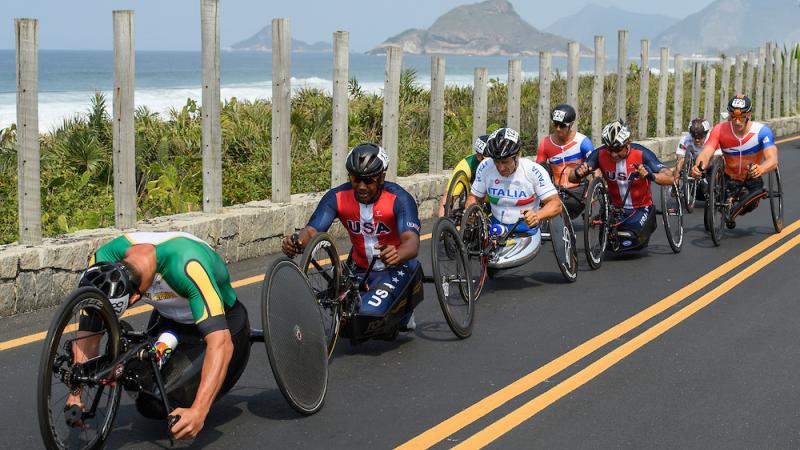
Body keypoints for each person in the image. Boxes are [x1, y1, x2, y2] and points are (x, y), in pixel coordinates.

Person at [73, 231, 251, 441]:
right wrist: (76, 392)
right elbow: (89, 329)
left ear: (135, 298)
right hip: (168, 321)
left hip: (225, 325)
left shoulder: (187, 266)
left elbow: (221, 343)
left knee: (157, 402)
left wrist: (199, 411)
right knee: (137, 383)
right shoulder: (103, 259)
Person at [282, 143, 423, 337]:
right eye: (356, 179)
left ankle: (405, 312)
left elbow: (412, 242)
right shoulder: (337, 197)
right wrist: (296, 240)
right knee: (349, 321)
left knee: (368, 316)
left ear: (381, 178)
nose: (362, 187)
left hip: (394, 267)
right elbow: (312, 230)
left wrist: (398, 253)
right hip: (359, 268)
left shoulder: (399, 199)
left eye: (369, 180)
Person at [570, 119, 674, 250]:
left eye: (618, 149)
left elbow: (670, 177)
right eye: (609, 149)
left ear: (627, 143)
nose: (613, 154)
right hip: (615, 210)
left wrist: (650, 175)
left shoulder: (642, 154)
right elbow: (572, 178)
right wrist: (579, 173)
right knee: (612, 245)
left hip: (641, 207)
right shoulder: (600, 154)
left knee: (631, 239)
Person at [464, 127, 562, 249]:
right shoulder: (485, 166)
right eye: (496, 161)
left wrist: (538, 215)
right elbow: (474, 197)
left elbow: (556, 204)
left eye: (505, 162)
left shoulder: (534, 171)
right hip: (497, 229)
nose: (500, 168)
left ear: (517, 155)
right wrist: (470, 211)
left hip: (526, 231)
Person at [691, 94, 779, 228]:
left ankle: (734, 207)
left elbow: (773, 160)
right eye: (733, 117)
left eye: (741, 117)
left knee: (747, 206)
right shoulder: (719, 129)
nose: (737, 121)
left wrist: (761, 169)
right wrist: (698, 167)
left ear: (748, 114)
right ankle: (727, 203)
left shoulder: (762, 132)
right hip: (728, 178)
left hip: (751, 179)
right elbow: (706, 152)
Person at [536, 104, 594, 219]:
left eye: (562, 125)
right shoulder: (545, 143)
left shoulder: (583, 142)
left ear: (571, 125)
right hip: (555, 191)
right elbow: (537, 171)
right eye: (555, 124)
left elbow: (595, 168)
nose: (557, 129)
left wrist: (591, 192)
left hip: (578, 191)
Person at [437, 134, 488, 217]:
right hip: (476, 197)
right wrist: (442, 223)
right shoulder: (466, 164)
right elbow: (449, 197)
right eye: (488, 158)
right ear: (479, 156)